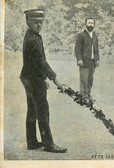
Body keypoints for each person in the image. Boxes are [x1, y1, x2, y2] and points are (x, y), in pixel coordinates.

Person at [20, 9, 67, 153]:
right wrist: (55, 79)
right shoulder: (32, 40)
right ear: (28, 22)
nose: (39, 25)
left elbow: (37, 63)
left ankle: (32, 142)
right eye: (36, 23)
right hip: (33, 79)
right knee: (42, 110)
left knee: (32, 109)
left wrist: (43, 78)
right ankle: (48, 144)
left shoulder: (33, 35)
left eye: (41, 23)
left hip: (29, 77)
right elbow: (41, 62)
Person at [75, 17, 100, 101]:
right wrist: (79, 59)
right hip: (84, 62)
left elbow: (96, 49)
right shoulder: (81, 35)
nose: (90, 25)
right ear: (85, 24)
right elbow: (77, 49)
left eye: (92, 23)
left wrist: (97, 59)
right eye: (89, 23)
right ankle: (83, 96)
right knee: (84, 80)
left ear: (94, 25)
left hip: (92, 62)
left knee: (90, 80)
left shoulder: (95, 36)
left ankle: (88, 95)